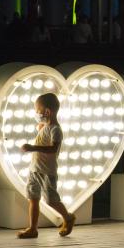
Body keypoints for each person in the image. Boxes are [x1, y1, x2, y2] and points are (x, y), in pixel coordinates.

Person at [17, 93, 76, 239]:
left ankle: (68, 217)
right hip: (34, 169)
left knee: (51, 200)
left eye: (38, 111)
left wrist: (32, 148)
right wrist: (41, 128)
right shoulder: (45, 126)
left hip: (47, 171)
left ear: (47, 112)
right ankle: (32, 228)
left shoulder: (55, 129)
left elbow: (53, 149)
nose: (37, 114)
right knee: (33, 198)